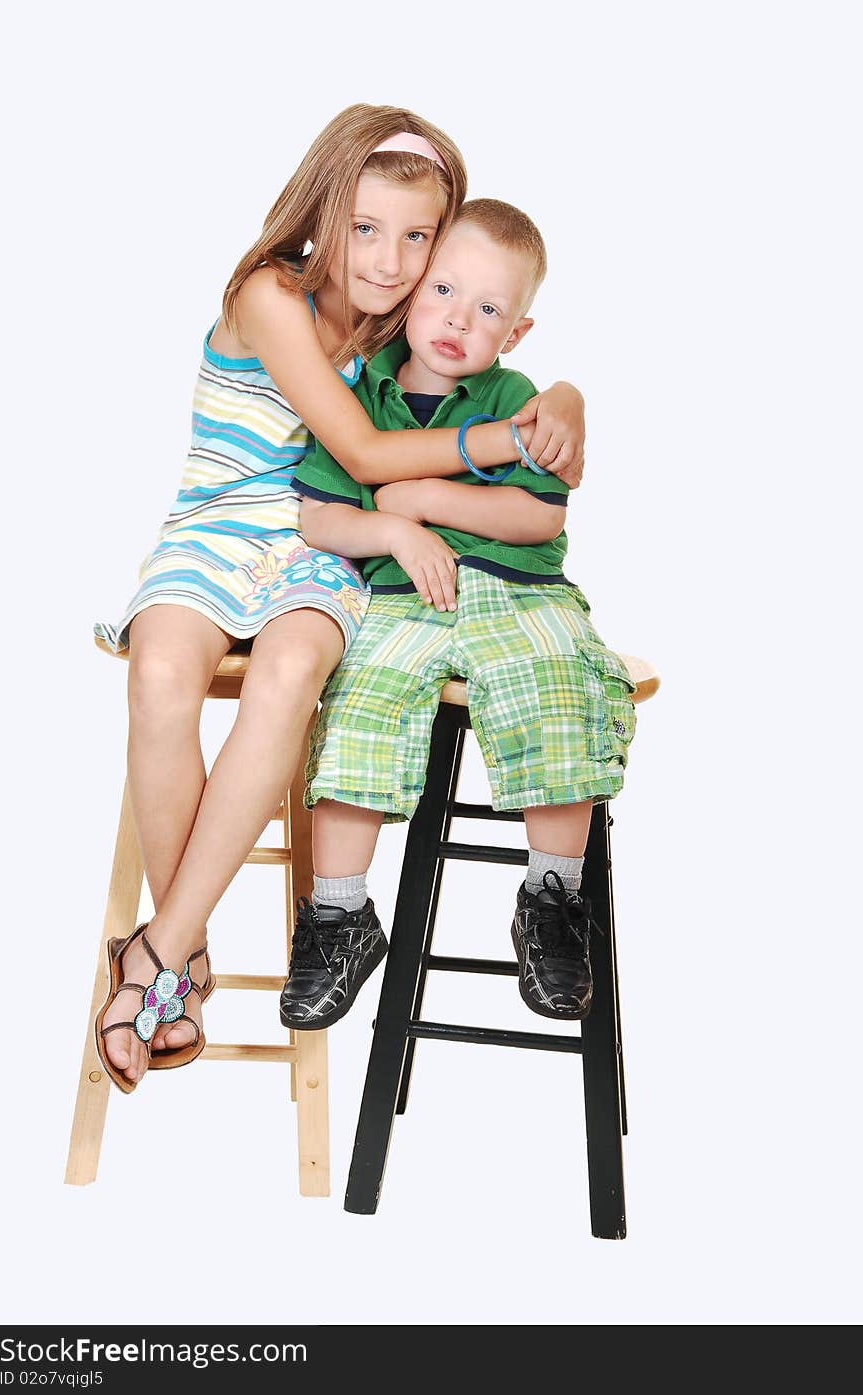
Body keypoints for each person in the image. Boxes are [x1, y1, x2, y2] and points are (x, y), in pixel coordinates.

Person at [94, 109, 588, 1093]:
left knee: (286, 676)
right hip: (215, 531)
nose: (391, 260)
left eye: (417, 239)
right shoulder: (269, 293)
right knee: (159, 674)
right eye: (366, 229)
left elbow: (486, 358)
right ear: (324, 213)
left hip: (323, 545)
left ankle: (158, 958)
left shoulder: (400, 327)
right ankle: (179, 955)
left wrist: (564, 395)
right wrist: (504, 446)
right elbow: (363, 455)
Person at [280, 199, 635, 1032]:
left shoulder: (518, 399)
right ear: (411, 289)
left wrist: (429, 494)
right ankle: (339, 915)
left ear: (515, 333)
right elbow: (318, 518)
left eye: (487, 310)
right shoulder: (358, 394)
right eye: (443, 289)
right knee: (361, 694)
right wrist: (393, 527)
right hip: (403, 599)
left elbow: (542, 517)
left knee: (555, 684)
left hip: (521, 593)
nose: (455, 319)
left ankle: (552, 901)